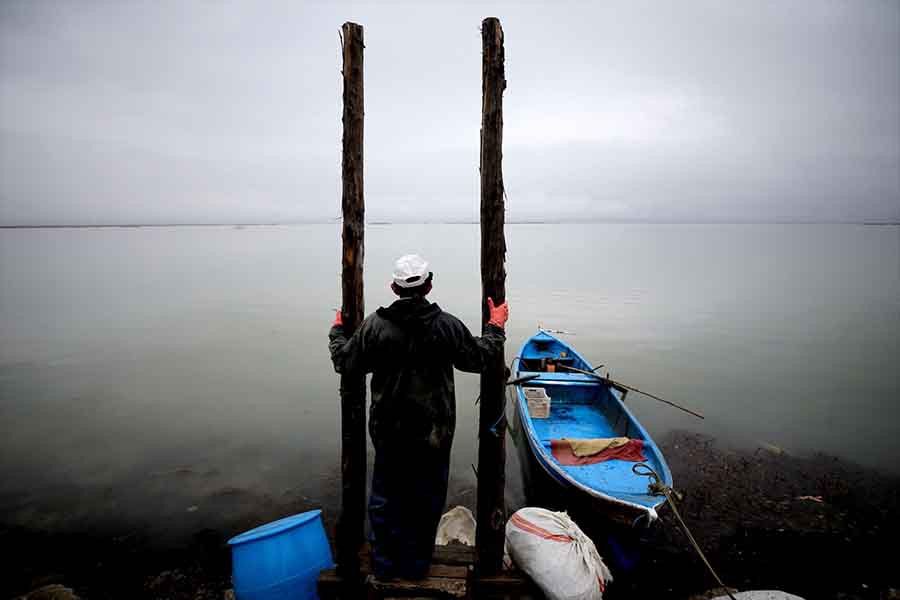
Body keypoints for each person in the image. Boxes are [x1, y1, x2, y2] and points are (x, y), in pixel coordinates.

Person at [328, 253, 508, 579]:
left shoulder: (375, 328)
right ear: (429, 285)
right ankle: (416, 567)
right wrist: (496, 326)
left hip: (388, 433)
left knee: (385, 502)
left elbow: (345, 361)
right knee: (426, 502)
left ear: (393, 288)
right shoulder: (446, 326)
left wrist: (337, 331)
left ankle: (384, 566)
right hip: (434, 435)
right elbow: (480, 357)